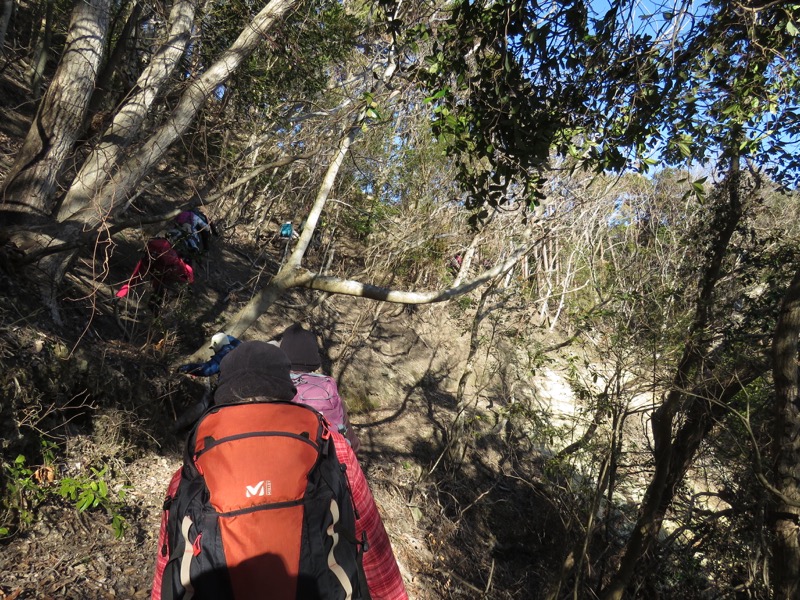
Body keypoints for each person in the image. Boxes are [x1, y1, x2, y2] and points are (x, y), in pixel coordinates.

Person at [150, 341, 408, 600]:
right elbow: (369, 535)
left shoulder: (200, 451)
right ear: (287, 387)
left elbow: (169, 550)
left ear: (223, 391)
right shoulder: (329, 443)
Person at [279, 323, 361, 452]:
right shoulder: (327, 387)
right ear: (314, 359)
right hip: (326, 464)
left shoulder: (275, 386)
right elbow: (354, 444)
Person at [115, 237, 194, 312]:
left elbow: (133, 280)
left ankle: (117, 298)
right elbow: (188, 276)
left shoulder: (149, 260)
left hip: (162, 277)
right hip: (171, 281)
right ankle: (157, 319)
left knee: (153, 302)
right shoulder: (179, 263)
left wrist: (119, 295)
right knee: (155, 303)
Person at [176, 332, 241, 377]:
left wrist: (187, 368)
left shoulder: (224, 355)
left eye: (213, 348)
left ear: (217, 344)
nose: (214, 350)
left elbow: (207, 369)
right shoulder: (240, 347)